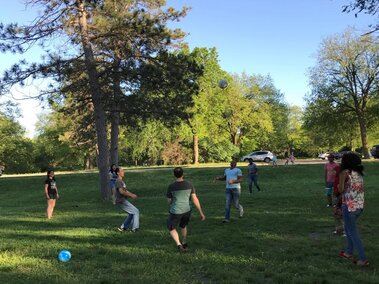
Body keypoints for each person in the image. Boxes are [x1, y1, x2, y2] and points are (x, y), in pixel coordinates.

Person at [338, 153, 369, 267]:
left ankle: (363, 259)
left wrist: (338, 187)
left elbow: (340, 189)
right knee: (348, 228)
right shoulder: (360, 172)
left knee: (352, 232)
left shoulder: (344, 172)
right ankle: (348, 253)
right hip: (360, 205)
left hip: (349, 206)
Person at [166, 167, 206, 252]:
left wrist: (172, 202)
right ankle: (184, 242)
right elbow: (195, 199)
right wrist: (201, 213)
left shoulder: (171, 186)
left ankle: (179, 245)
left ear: (174, 175)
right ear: (182, 174)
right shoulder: (189, 184)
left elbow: (169, 201)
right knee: (183, 226)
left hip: (176, 211)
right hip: (187, 210)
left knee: (171, 227)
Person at [114, 167, 140, 232]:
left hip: (123, 200)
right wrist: (131, 195)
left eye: (123, 171)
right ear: (118, 173)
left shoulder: (121, 181)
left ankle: (123, 227)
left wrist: (132, 194)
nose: (123, 172)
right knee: (136, 211)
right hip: (121, 201)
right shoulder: (118, 181)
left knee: (132, 213)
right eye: (121, 171)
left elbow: (125, 191)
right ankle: (135, 228)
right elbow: (121, 192)